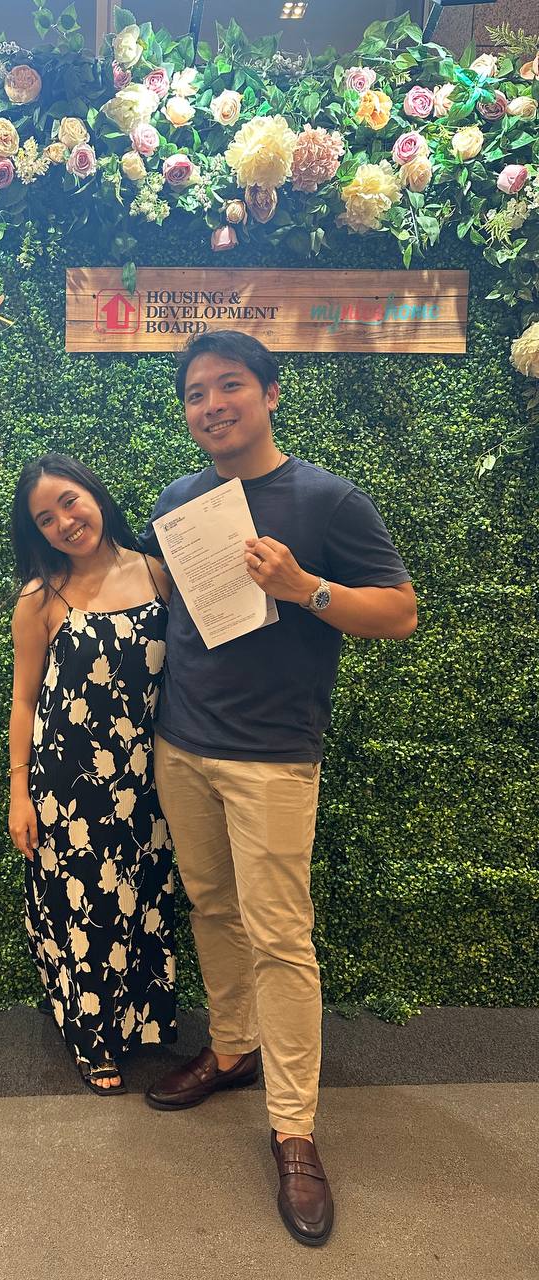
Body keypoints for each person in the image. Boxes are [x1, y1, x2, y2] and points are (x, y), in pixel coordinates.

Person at [140, 332, 417, 1244]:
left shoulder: (329, 499)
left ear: (270, 393)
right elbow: (163, 601)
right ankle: (231, 1048)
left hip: (273, 758)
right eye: (196, 393)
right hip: (182, 745)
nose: (211, 404)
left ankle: (293, 1129)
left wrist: (306, 588)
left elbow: (400, 613)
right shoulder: (180, 501)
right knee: (213, 908)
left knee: (282, 939)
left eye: (229, 386)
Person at [8, 454, 176, 1094]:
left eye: (69, 502)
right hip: (67, 786)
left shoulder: (160, 575)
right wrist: (19, 793)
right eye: (45, 520)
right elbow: (24, 701)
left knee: (142, 898)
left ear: (95, 494)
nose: (64, 523)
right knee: (85, 906)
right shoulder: (41, 598)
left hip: (149, 778)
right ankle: (92, 1037)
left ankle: (141, 1021)